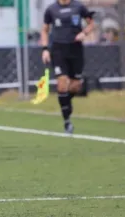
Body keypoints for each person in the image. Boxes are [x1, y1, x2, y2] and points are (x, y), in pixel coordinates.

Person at [41, 0, 94, 133]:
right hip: (58, 50)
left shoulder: (79, 6)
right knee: (62, 83)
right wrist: (45, 49)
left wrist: (84, 33)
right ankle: (67, 121)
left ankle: (64, 101)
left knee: (75, 86)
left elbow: (91, 24)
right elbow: (45, 30)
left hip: (76, 50)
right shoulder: (51, 9)